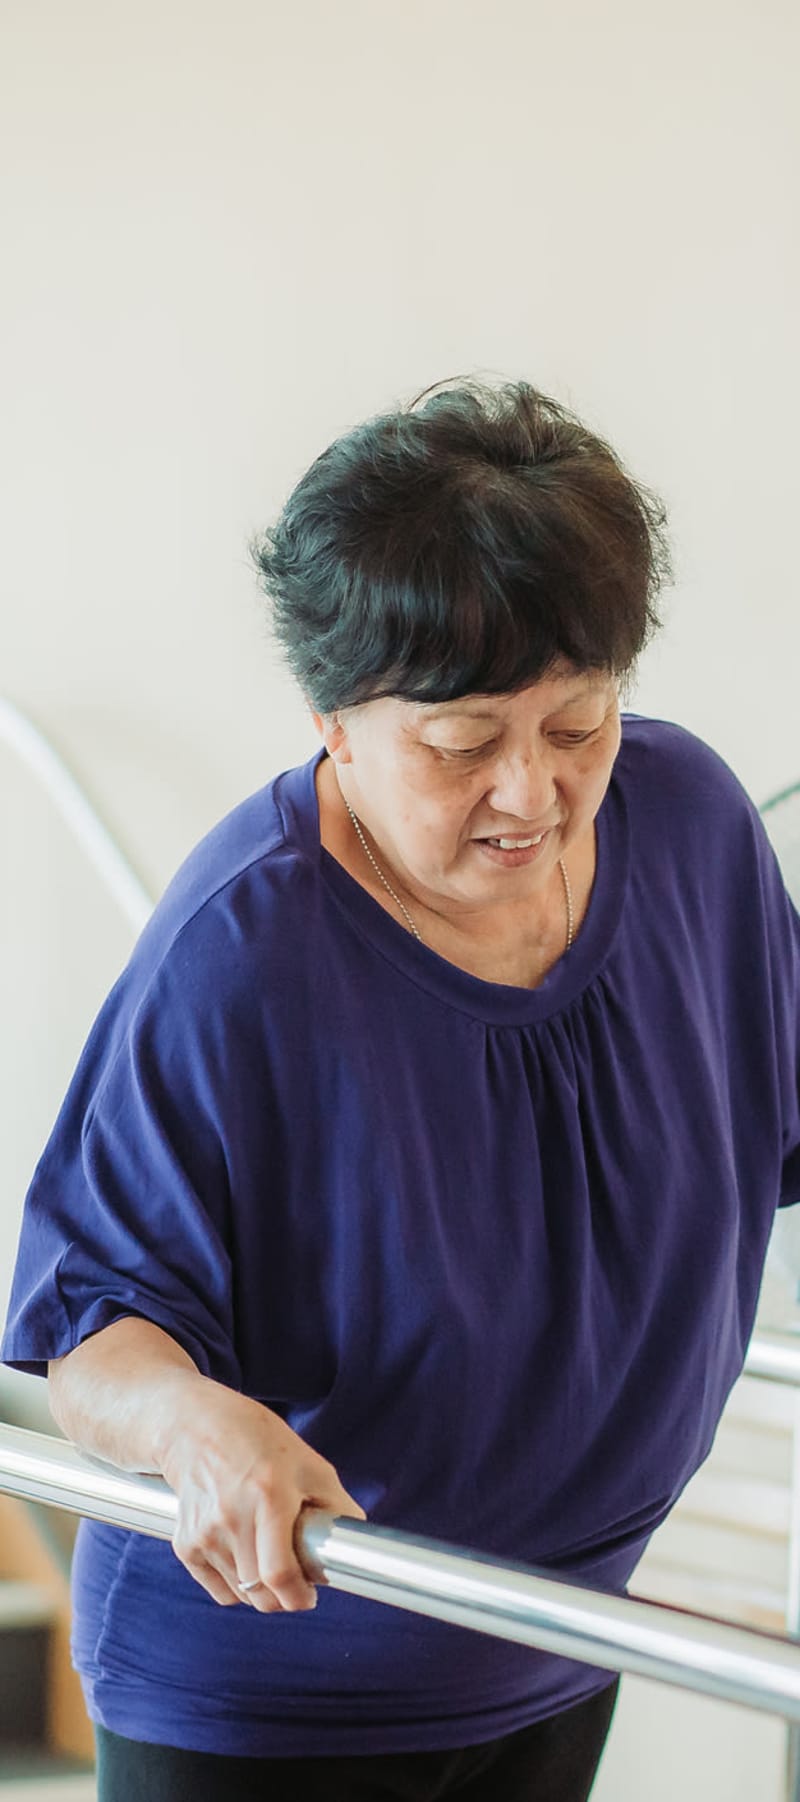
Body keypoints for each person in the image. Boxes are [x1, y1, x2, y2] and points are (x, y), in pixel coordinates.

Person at [3, 376, 799, 1802]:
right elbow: (92, 1333)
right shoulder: (242, 953)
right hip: (273, 1687)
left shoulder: (689, 831)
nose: (534, 795)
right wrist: (203, 1425)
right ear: (335, 720)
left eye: (579, 724)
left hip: (559, 1635)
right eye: (461, 743)